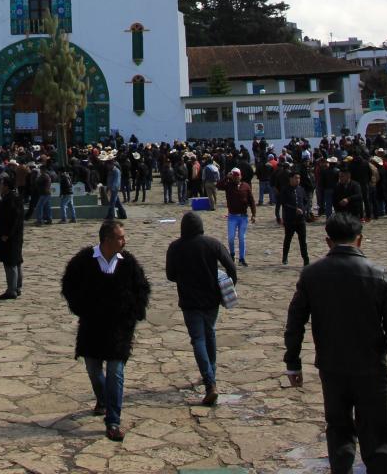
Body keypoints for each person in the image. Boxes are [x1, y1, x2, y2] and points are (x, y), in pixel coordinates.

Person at [284, 212, 387, 474]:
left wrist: (293, 363)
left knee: (339, 431)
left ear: (328, 241)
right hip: (372, 368)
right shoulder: (380, 275)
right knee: (377, 436)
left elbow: (295, 322)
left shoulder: (312, 275)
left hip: (333, 367)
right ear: (360, 239)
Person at [61, 222, 150, 443]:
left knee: (116, 371)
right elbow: (69, 286)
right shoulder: (83, 261)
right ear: (107, 240)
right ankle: (103, 399)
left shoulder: (128, 263)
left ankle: (113, 420)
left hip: (119, 328)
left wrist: (135, 313)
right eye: (120, 237)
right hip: (92, 326)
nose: (124, 240)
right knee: (93, 368)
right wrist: (82, 307)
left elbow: (142, 289)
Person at [165, 210, 236, 405]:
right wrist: (229, 287)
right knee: (209, 333)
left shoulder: (175, 247)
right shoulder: (212, 244)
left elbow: (170, 275)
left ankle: (209, 381)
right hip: (211, 299)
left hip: (189, 301)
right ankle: (210, 375)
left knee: (198, 339)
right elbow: (231, 266)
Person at [0, 175, 24, 299]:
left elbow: (12, 219)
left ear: (6, 186)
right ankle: (17, 287)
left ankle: (12, 290)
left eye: (1, 184)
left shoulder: (11, 199)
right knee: (16, 261)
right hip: (15, 236)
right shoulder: (13, 197)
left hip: (10, 236)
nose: (0, 186)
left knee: (10, 262)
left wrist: (6, 234)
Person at [220, 167, 256, 267]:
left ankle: (242, 258)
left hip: (243, 217)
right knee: (231, 238)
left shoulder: (246, 186)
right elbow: (218, 185)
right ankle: (232, 254)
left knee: (242, 238)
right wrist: (226, 177)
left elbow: (251, 201)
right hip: (232, 216)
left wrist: (254, 214)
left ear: (241, 176)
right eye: (234, 176)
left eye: (238, 175)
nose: (236, 177)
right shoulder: (229, 185)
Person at [281, 169, 310, 267]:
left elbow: (306, 201)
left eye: (299, 178)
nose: (297, 180)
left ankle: (306, 259)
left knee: (303, 241)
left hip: (301, 220)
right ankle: (285, 256)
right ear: (291, 179)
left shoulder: (301, 189)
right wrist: (295, 209)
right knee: (288, 239)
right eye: (295, 178)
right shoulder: (285, 190)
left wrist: (304, 210)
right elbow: (284, 203)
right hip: (290, 220)